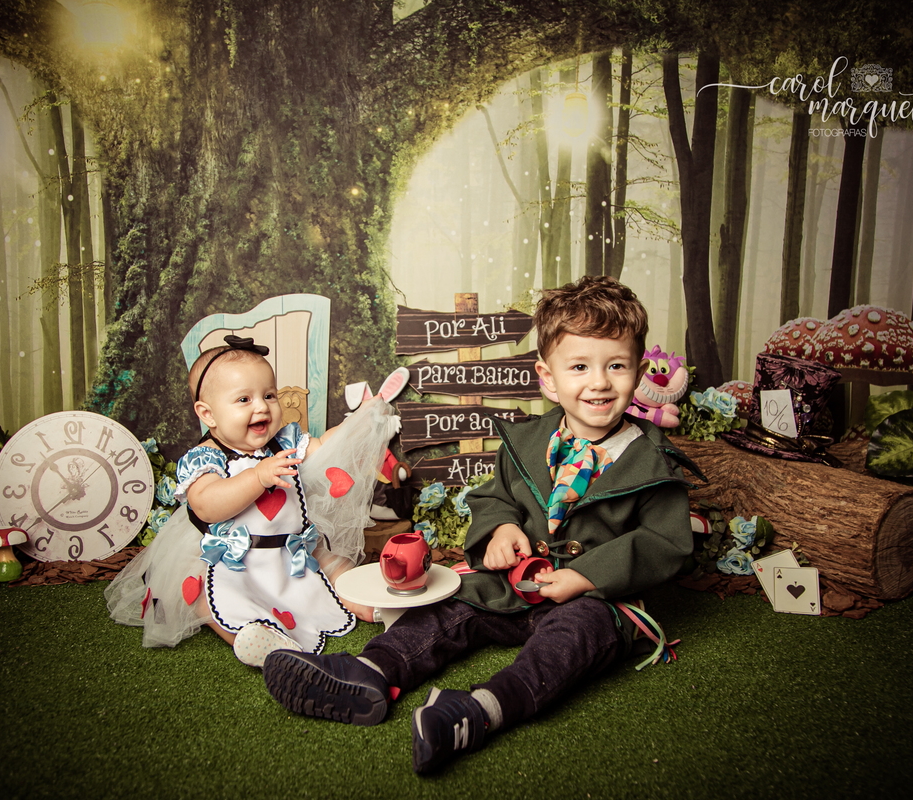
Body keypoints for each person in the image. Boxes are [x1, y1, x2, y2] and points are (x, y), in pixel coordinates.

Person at [262, 275, 701, 774]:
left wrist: (587, 576)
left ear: (638, 372)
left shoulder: (653, 460)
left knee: (571, 643)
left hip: (595, 600)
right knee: (449, 605)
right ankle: (370, 670)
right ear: (548, 378)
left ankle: (477, 711)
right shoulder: (528, 440)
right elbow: (495, 496)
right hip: (513, 585)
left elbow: (665, 541)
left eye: (616, 365)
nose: (599, 382)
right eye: (579, 366)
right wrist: (500, 531)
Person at [105, 335, 401, 666]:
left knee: (335, 565)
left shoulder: (284, 442)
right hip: (232, 560)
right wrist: (257, 477)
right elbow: (206, 504)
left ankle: (373, 604)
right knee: (206, 595)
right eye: (244, 399)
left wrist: (356, 425)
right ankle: (252, 639)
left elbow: (323, 449)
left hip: (289, 551)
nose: (261, 406)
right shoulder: (207, 457)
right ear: (208, 414)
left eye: (269, 395)